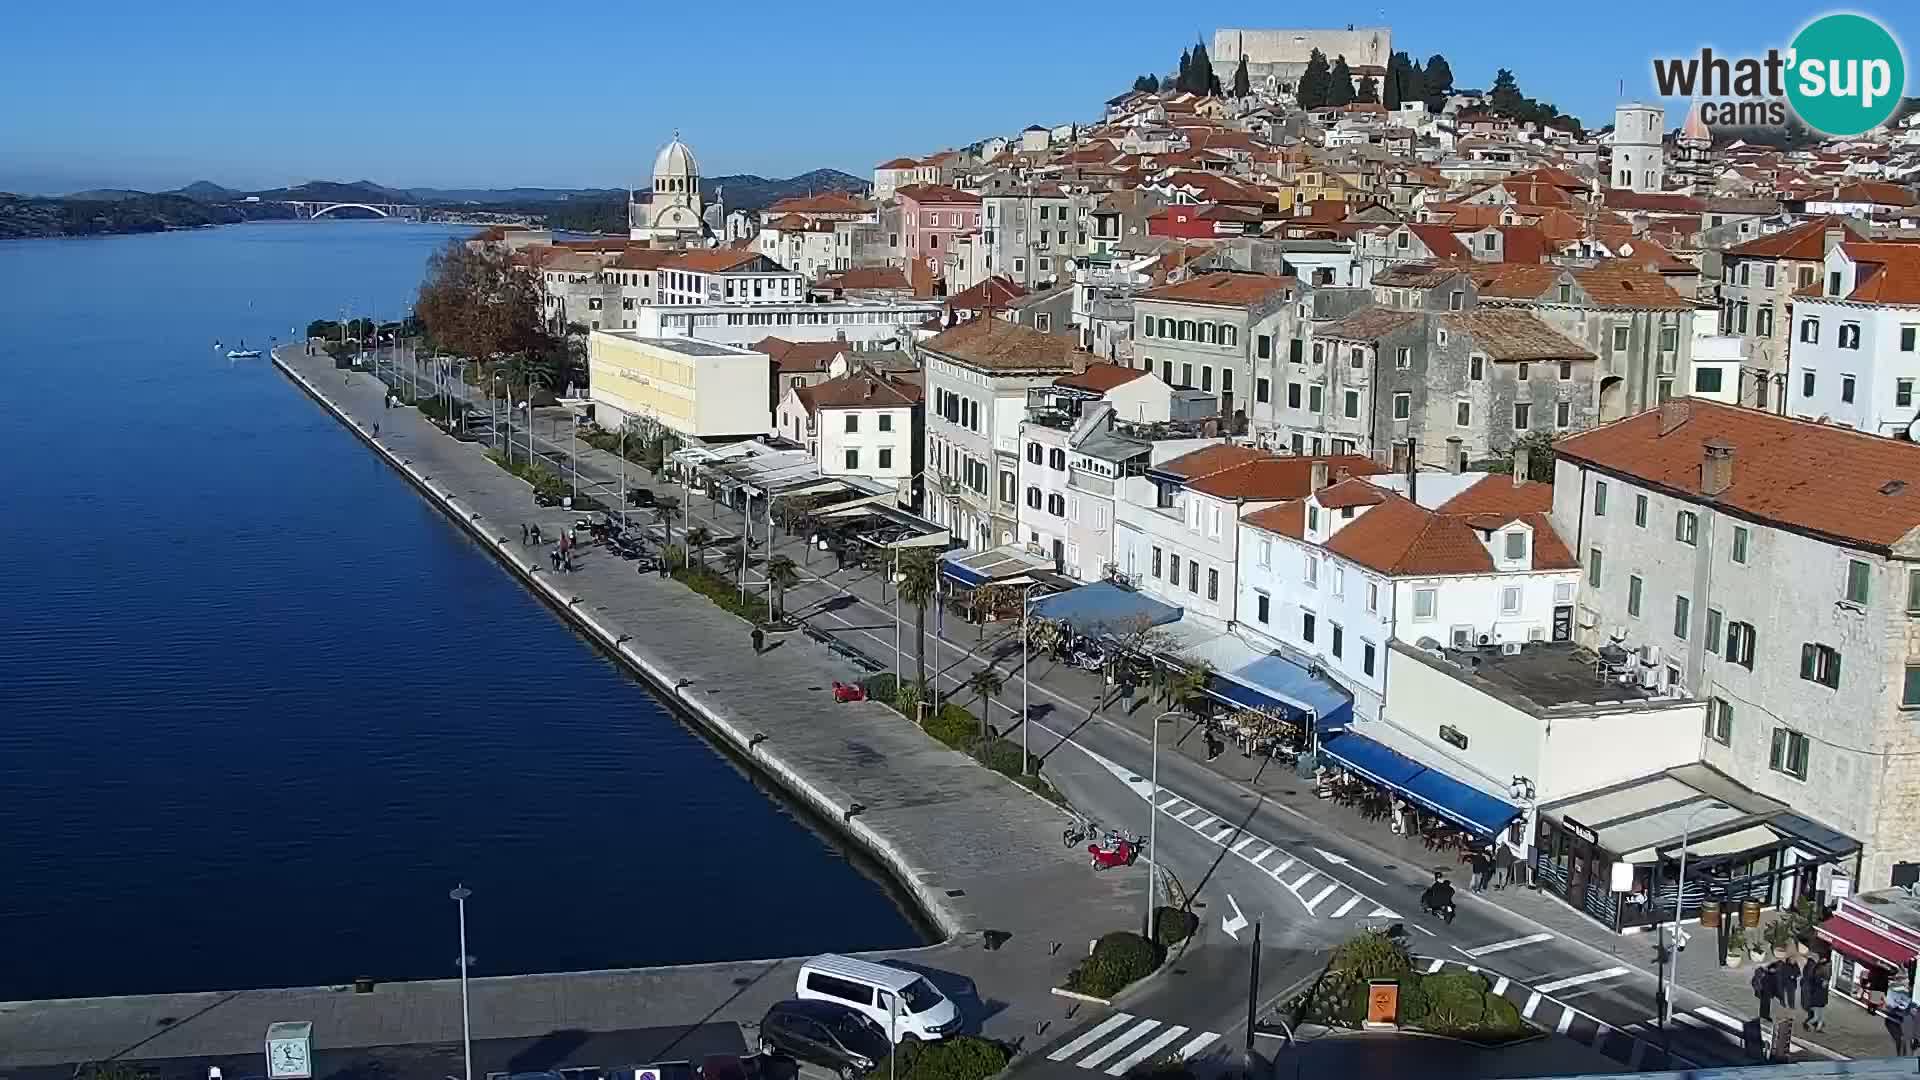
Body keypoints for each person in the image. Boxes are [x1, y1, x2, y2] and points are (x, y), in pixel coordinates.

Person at [1802, 957, 1829, 1031]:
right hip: (1816, 1001)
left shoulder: (1819, 969)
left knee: (1820, 1018)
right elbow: (1813, 981)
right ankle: (1807, 1024)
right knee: (1816, 1017)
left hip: (1820, 1001)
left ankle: (1818, 1028)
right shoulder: (1815, 970)